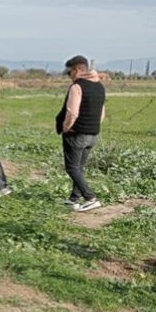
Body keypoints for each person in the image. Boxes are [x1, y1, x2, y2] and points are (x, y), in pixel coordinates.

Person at [55, 55, 106, 212]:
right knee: (79, 167)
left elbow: (72, 112)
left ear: (77, 70)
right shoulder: (100, 86)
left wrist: (66, 127)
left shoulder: (77, 87)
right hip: (93, 133)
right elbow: (102, 112)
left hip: (77, 134)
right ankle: (74, 199)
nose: (69, 76)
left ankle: (90, 198)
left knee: (72, 168)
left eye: (69, 72)